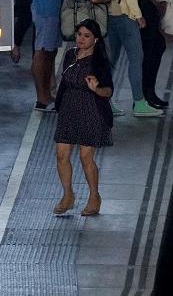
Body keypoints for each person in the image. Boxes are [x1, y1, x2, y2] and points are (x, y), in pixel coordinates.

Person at [53, 19, 114, 216]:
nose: (81, 38)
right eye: (79, 34)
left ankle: (94, 196)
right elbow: (63, 80)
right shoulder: (70, 55)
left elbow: (108, 92)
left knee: (85, 156)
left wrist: (96, 88)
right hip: (69, 109)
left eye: (86, 36)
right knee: (61, 154)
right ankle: (67, 194)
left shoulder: (99, 62)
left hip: (91, 110)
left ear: (95, 39)